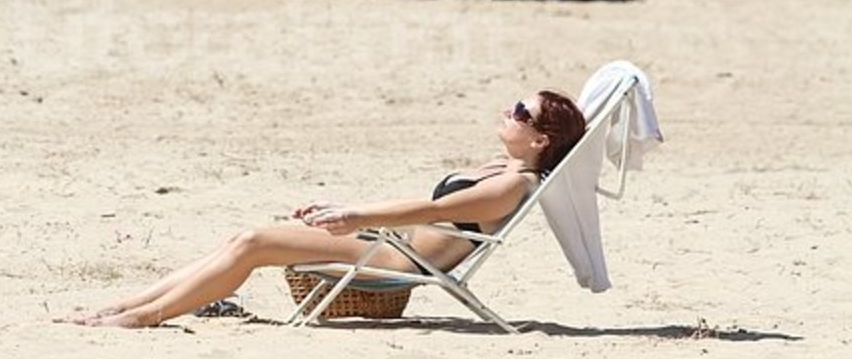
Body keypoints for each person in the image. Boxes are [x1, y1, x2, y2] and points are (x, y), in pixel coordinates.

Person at [59, 90, 587, 328]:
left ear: (541, 140)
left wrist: (355, 216)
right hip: (388, 246)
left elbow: (427, 210)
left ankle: (145, 316)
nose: (508, 110)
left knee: (253, 243)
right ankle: (129, 303)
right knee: (242, 238)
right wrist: (349, 212)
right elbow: (425, 212)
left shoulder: (511, 187)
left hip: (394, 263)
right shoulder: (501, 166)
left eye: (522, 113)